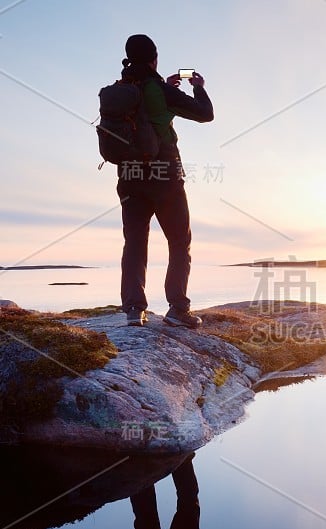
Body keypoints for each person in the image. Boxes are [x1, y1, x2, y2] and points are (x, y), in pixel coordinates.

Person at [117, 34, 213, 328]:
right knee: (179, 241)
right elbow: (205, 115)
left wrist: (164, 90)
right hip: (164, 175)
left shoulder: (120, 91)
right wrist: (198, 89)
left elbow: (140, 116)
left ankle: (134, 309)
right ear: (154, 59)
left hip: (129, 176)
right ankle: (178, 309)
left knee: (134, 241)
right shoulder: (159, 90)